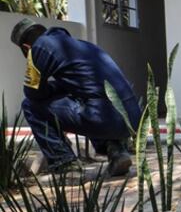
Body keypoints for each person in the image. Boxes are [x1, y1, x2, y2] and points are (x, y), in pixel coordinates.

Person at [10, 19, 140, 178]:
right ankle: (116, 151)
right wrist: (57, 87)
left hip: (104, 118)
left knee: (30, 106)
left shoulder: (38, 48)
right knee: (87, 96)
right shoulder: (81, 45)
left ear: (25, 48)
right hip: (131, 120)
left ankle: (66, 164)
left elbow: (32, 93)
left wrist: (51, 88)